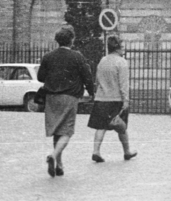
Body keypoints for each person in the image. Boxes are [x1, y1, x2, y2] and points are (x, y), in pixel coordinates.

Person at [36, 26, 94, 176]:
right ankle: (53, 156)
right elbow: (87, 77)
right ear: (72, 40)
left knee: (57, 131)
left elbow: (40, 77)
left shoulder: (48, 57)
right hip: (69, 97)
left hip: (51, 98)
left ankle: (59, 165)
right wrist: (92, 92)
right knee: (67, 131)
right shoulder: (77, 56)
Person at [88, 35, 136, 162]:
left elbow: (97, 81)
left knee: (101, 127)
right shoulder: (122, 62)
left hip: (101, 98)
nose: (124, 49)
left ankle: (96, 151)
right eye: (122, 46)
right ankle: (127, 152)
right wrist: (126, 100)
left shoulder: (102, 61)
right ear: (117, 48)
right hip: (116, 100)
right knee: (122, 127)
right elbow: (123, 84)